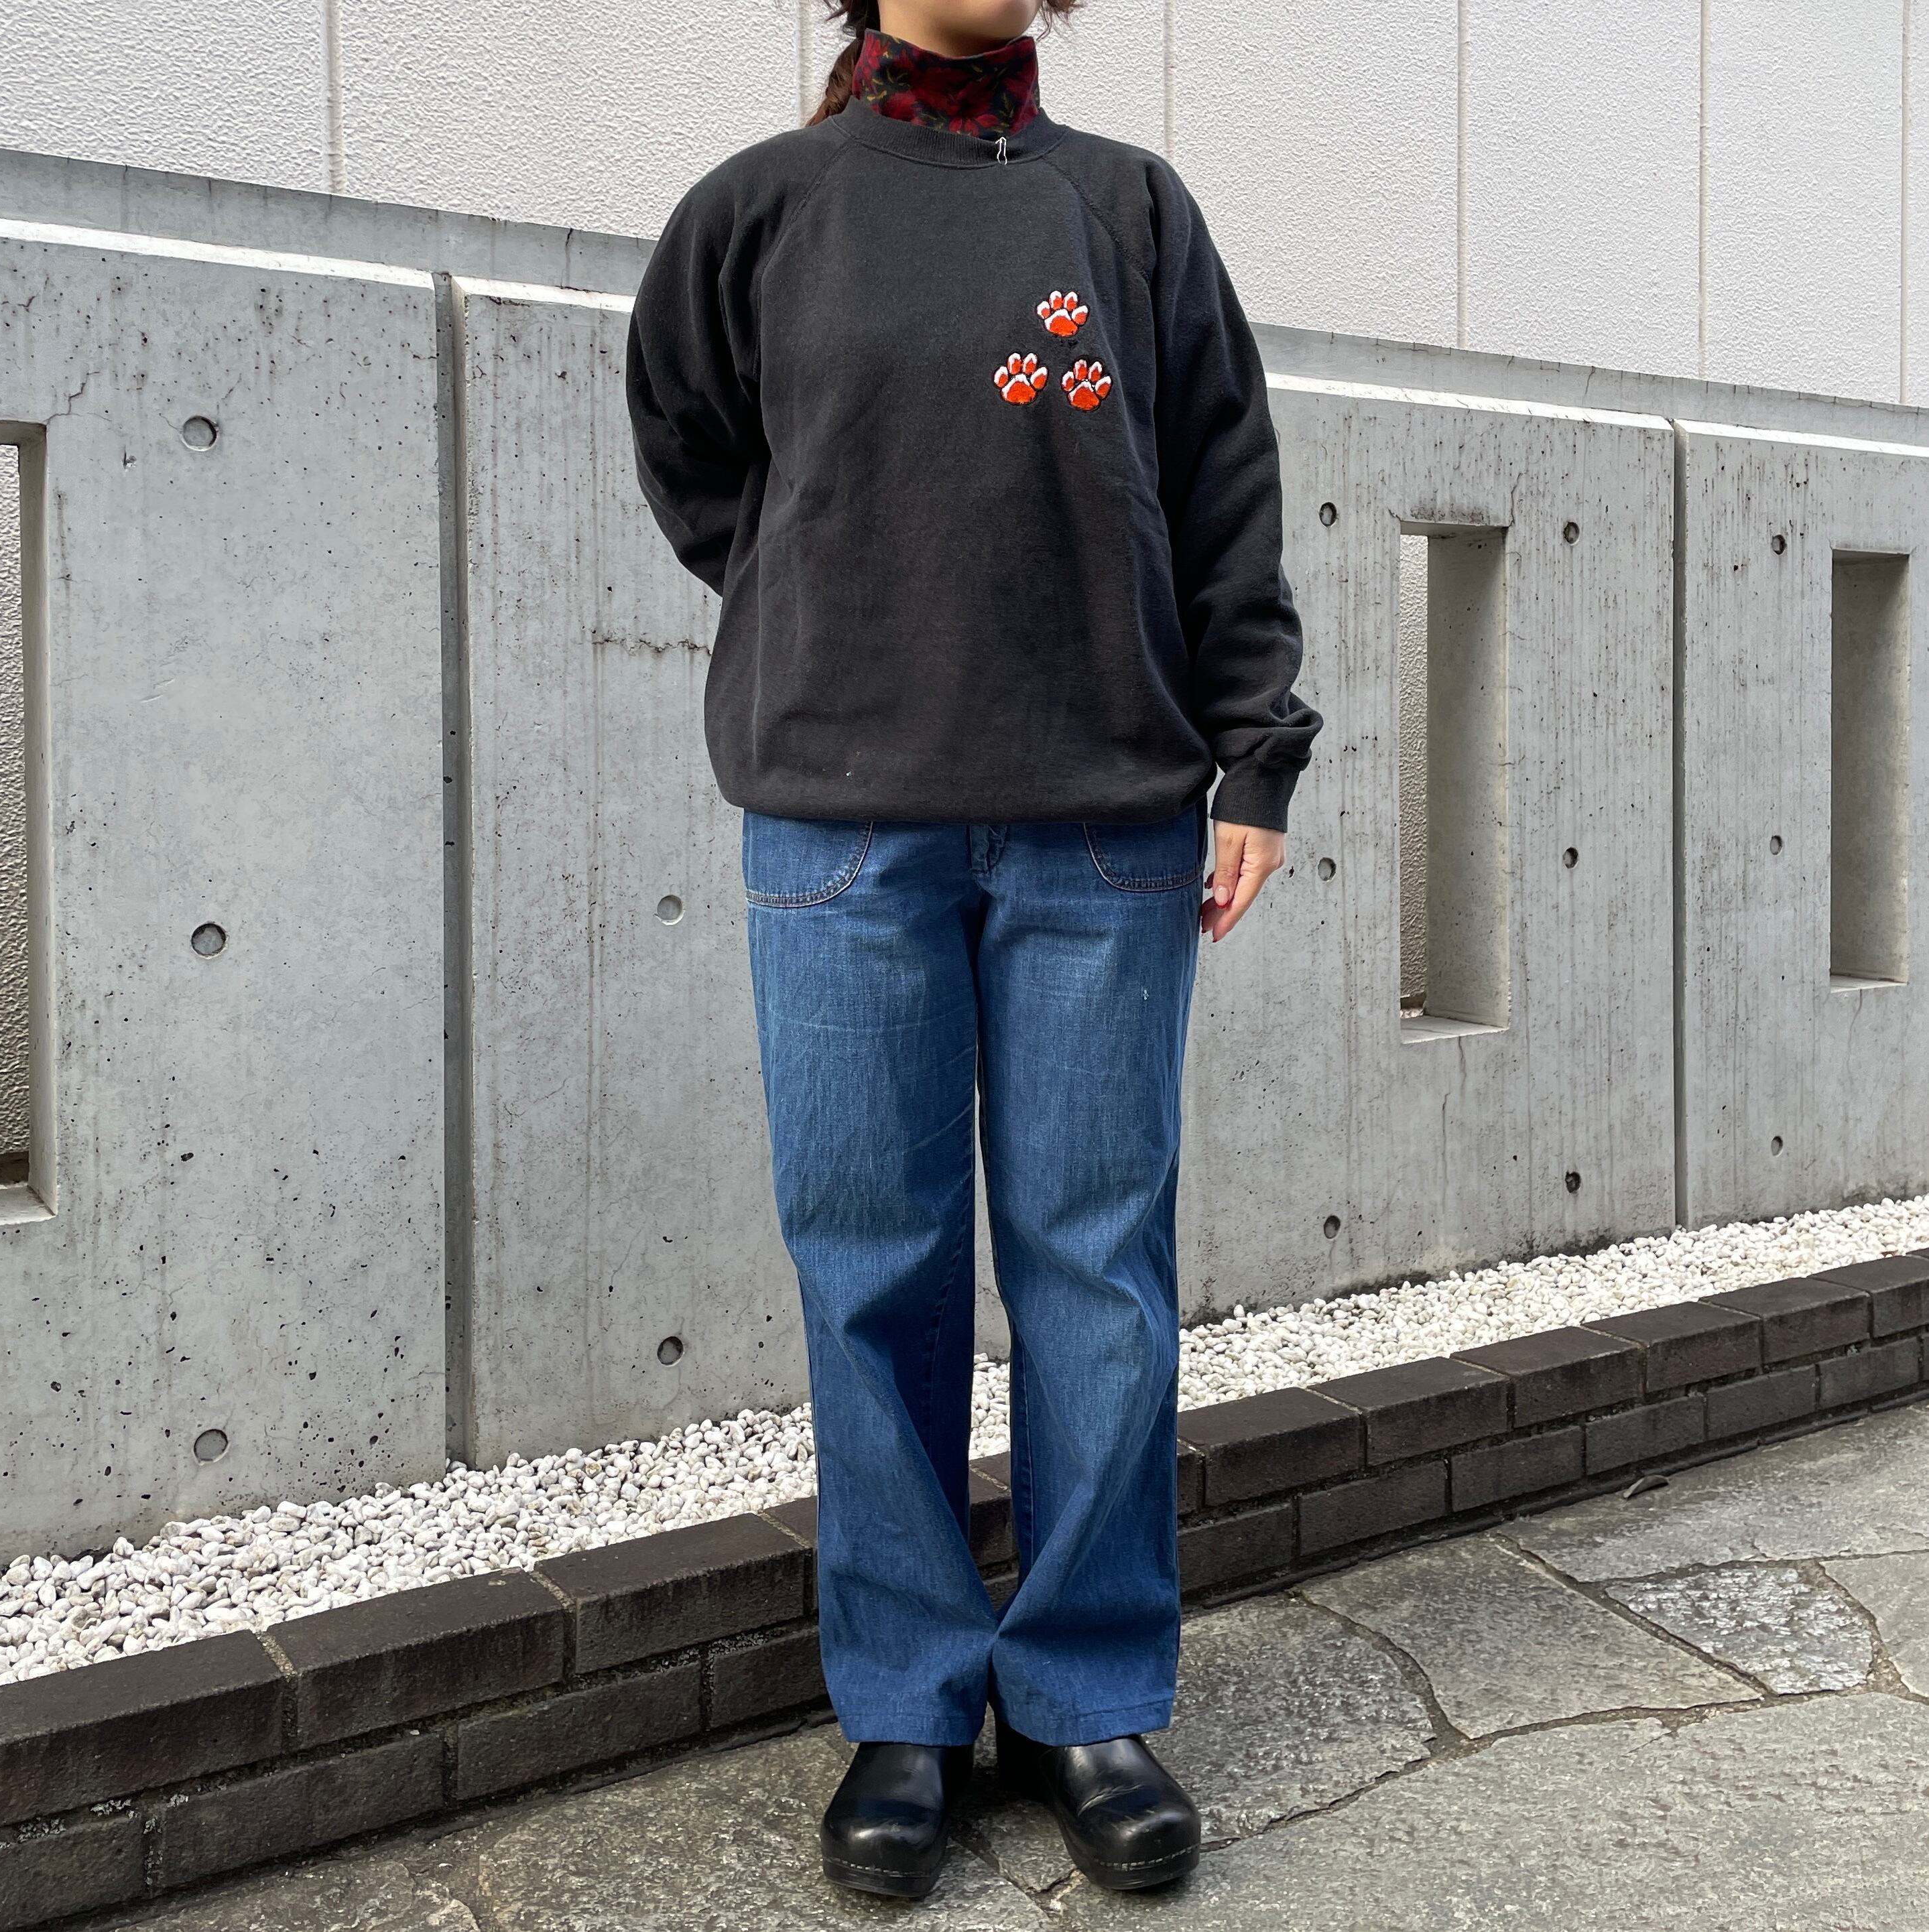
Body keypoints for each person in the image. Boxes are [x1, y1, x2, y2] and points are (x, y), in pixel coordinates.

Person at [625, 0, 1319, 1901]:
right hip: (841, 823)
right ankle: (909, 1701)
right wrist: (829, 605)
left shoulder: (1129, 210)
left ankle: (1087, 1691)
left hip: (1105, 816)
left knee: (1098, 1266)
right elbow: (702, 465)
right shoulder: (760, 212)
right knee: (874, 1265)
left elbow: (1222, 484)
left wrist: (1255, 752)